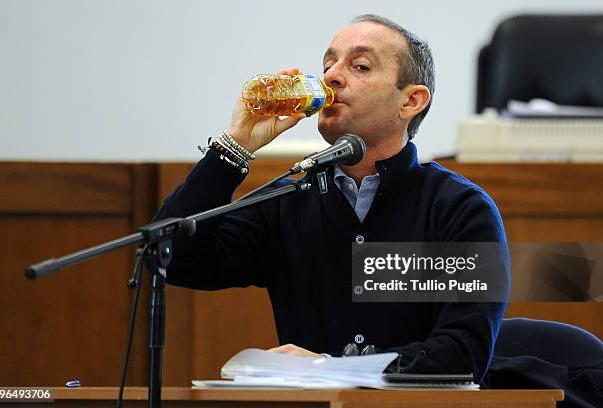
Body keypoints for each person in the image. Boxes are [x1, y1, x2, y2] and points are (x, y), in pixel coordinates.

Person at [154, 14, 509, 383]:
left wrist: (330, 367)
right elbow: (175, 258)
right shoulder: (287, 200)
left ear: (411, 101)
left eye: (360, 66)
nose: (331, 77)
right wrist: (236, 144)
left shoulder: (461, 210)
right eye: (328, 64)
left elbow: (462, 355)